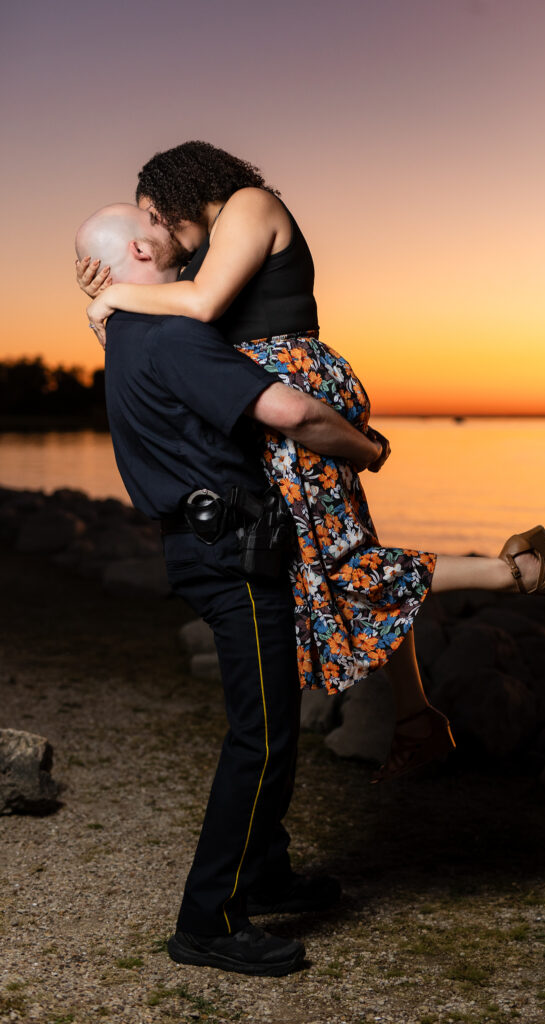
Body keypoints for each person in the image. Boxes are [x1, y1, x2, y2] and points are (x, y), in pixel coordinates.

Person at [78, 142, 545, 782]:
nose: (150, 232)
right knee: (327, 558)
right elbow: (157, 335)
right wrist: (107, 294)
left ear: (180, 190)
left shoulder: (249, 206)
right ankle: (415, 717)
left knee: (339, 561)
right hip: (260, 400)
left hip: (292, 392)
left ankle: (519, 572)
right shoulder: (207, 251)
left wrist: (113, 296)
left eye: (153, 214)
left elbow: (200, 307)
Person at [75, 202, 390, 977]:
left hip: (208, 545)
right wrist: (370, 448)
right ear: (146, 246)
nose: (182, 232)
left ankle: (264, 875)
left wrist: (103, 294)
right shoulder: (174, 334)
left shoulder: (125, 331)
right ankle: (207, 922)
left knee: (267, 723)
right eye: (158, 222)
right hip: (231, 556)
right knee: (263, 736)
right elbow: (291, 411)